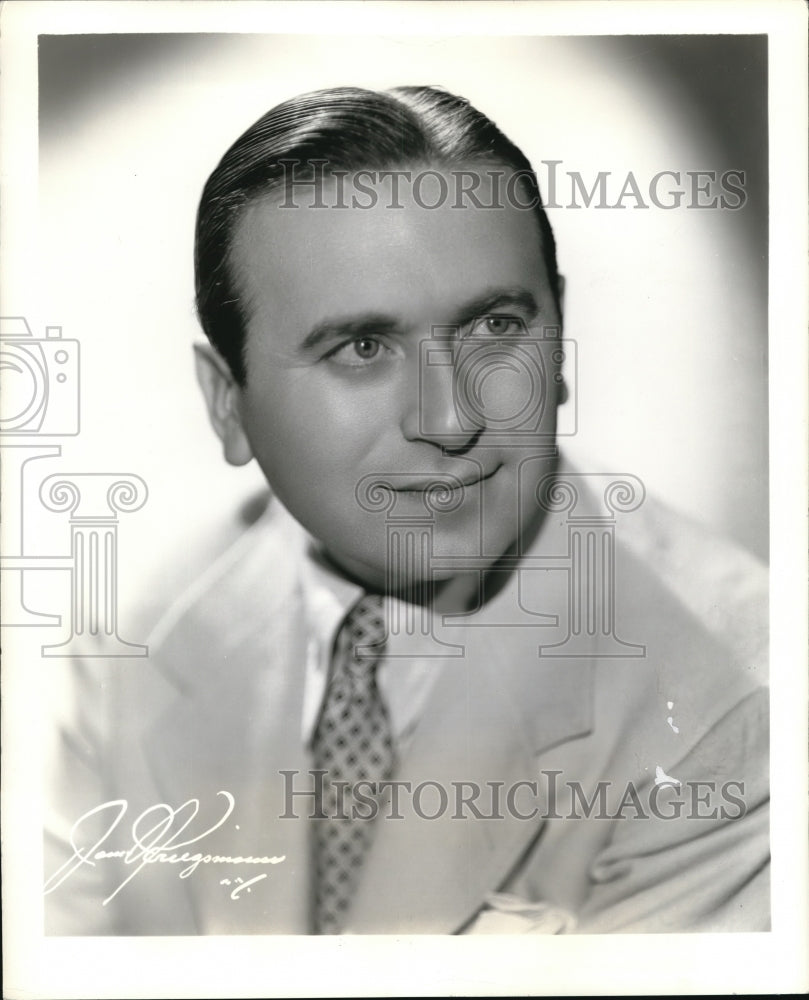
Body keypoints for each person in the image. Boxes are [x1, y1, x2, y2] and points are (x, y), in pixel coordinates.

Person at [43, 85, 769, 935]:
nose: (452, 418)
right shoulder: (135, 640)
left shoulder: (742, 700)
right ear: (227, 404)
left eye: (496, 326)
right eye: (361, 347)